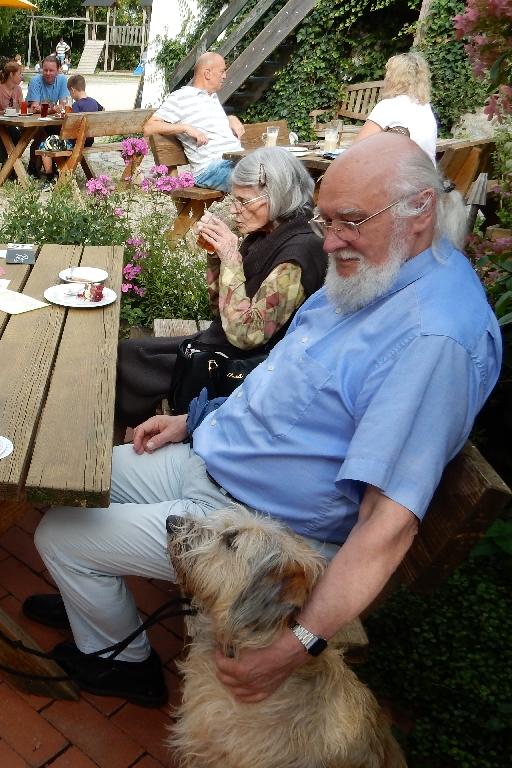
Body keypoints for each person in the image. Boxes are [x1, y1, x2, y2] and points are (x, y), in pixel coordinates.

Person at [25, 133, 501, 709]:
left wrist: (297, 644)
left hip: (256, 527)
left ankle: (121, 663)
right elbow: (285, 380)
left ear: (421, 210)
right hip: (216, 461)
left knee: (61, 536)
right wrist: (194, 421)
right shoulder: (375, 268)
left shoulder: (433, 339)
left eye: (349, 221)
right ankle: (91, 597)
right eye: (326, 220)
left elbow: (388, 521)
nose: (330, 241)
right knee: (71, 483)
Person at [116, 147, 327, 436]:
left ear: (276, 196)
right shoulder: (267, 235)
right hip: (222, 342)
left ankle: (118, 452)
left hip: (241, 368)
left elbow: (246, 335)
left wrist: (230, 257)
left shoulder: (300, 253)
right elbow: (221, 311)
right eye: (233, 199)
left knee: (125, 363)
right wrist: (216, 257)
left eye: (242, 201)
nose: (232, 210)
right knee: (127, 352)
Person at [142, 52, 245, 193]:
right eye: (222, 71)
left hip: (237, 161)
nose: (225, 76)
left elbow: (208, 121)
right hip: (212, 169)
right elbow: (150, 127)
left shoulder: (212, 97)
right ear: (207, 73)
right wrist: (184, 127)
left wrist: (229, 118)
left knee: (278, 167)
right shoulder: (181, 97)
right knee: (262, 179)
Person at [352, 52, 438, 161]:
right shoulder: (425, 107)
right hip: (426, 175)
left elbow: (356, 149)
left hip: (400, 175)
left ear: (392, 78)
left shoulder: (389, 106)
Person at [39, 73, 103, 186]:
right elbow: (102, 110)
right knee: (55, 142)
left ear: (73, 90)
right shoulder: (93, 102)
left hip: (76, 142)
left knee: (44, 145)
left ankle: (50, 178)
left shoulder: (77, 105)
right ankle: (59, 170)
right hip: (89, 141)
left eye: (70, 92)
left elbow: (70, 127)